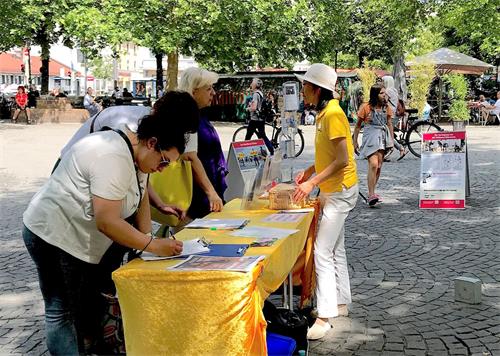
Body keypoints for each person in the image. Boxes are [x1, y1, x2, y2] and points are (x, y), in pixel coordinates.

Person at [23, 95, 199, 354]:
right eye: (163, 162)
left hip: (76, 234)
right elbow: (107, 221)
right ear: (152, 143)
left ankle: (92, 344)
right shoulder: (112, 154)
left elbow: (140, 196)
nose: (162, 169)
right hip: (51, 234)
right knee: (61, 312)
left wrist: (146, 242)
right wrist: (151, 244)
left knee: (85, 303)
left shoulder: (139, 154)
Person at [293, 63, 358, 340]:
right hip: (334, 189)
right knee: (335, 248)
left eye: (306, 86)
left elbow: (343, 159)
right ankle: (341, 302)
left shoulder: (332, 114)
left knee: (321, 249)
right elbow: (329, 154)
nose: (303, 91)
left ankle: (325, 315)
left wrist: (312, 182)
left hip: (340, 190)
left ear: (317, 89)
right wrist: (310, 170)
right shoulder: (324, 113)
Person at [58, 91, 198, 220]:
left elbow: (140, 180)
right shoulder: (129, 131)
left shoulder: (147, 135)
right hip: (69, 181)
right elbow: (108, 219)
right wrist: (149, 242)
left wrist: (160, 205)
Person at [178, 67, 227, 219]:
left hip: (206, 192)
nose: (213, 92)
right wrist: (211, 193)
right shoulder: (187, 116)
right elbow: (190, 157)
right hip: (196, 198)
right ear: (193, 91)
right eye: (208, 89)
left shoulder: (198, 114)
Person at [353, 84, 395, 206]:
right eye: (382, 93)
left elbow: (389, 123)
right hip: (370, 136)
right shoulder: (366, 107)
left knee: (379, 166)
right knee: (373, 164)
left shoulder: (386, 107)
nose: (384, 95)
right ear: (375, 94)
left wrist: (391, 141)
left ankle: (372, 192)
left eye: (385, 93)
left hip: (382, 136)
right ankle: (371, 195)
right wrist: (355, 141)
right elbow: (357, 126)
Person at [245, 78, 274, 154]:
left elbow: (254, 108)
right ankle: (271, 150)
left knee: (248, 136)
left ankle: (244, 152)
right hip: (261, 118)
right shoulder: (260, 93)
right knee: (263, 136)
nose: (251, 84)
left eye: (252, 83)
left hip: (255, 119)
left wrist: (248, 109)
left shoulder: (255, 94)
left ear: (255, 85)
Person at [382, 75, 406, 159]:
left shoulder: (387, 91)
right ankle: (386, 153)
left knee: (387, 133)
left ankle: (399, 148)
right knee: (387, 133)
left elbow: (384, 101)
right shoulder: (394, 90)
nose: (382, 83)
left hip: (390, 115)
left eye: (383, 81)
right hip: (395, 115)